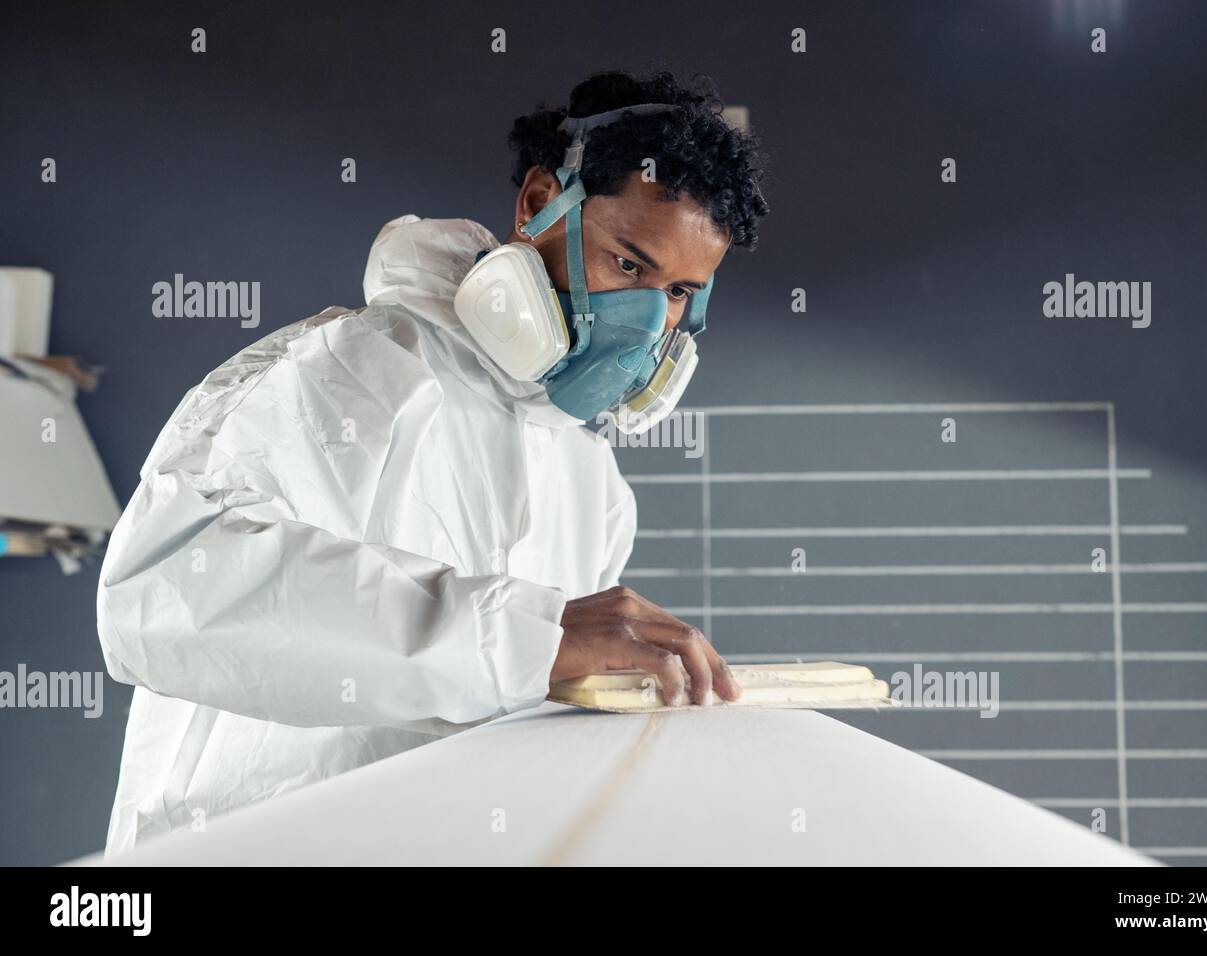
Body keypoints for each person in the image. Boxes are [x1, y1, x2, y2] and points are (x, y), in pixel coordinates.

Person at [96, 69, 771, 854]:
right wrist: (531, 638)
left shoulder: (591, 487)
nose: (646, 322)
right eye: (627, 266)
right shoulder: (350, 371)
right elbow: (158, 593)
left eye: (680, 292)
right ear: (537, 203)